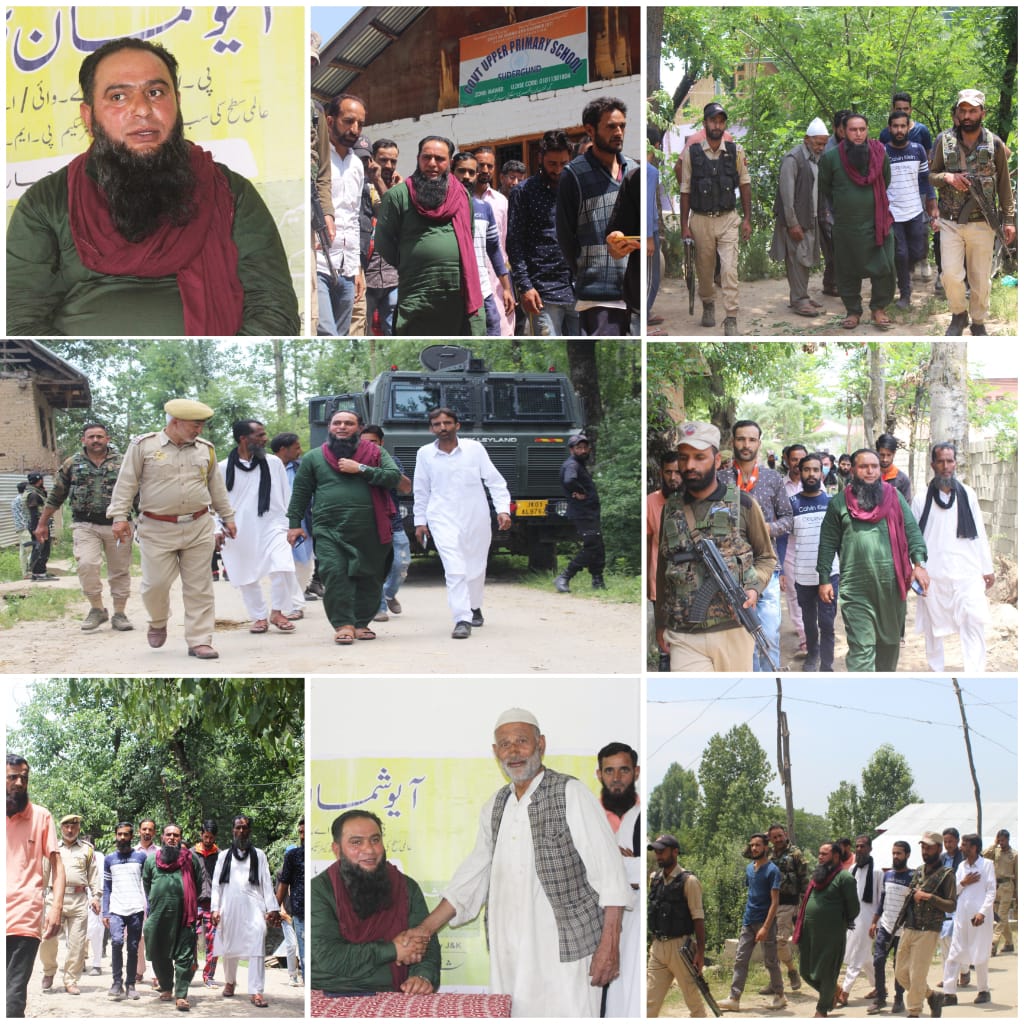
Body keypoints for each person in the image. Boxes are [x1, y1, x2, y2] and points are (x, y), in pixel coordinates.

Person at [6, 37, 298, 336]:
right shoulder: (47, 202)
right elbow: (18, 322)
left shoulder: (229, 192)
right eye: (118, 97)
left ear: (177, 103)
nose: (142, 109)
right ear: (88, 117)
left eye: (155, 93)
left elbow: (274, 310)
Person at [409, 708, 629, 1017]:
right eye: (505, 744)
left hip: (566, 956)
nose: (513, 751)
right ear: (495, 752)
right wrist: (424, 929)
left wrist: (609, 945)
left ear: (541, 744)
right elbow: (471, 879)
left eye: (522, 741)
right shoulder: (495, 806)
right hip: (509, 955)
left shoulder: (571, 792)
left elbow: (611, 875)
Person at [106, 399, 234, 658]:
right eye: (194, 425)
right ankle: (158, 620)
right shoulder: (144, 446)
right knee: (156, 584)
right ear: (175, 422)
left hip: (198, 525)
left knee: (199, 587)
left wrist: (227, 517)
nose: (199, 430)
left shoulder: (205, 449)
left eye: (201, 425)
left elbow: (216, 487)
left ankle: (199, 640)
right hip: (157, 528)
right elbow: (127, 482)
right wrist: (119, 516)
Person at [656, 421, 775, 672]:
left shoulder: (743, 504)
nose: (690, 465)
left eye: (699, 457)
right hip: (683, 633)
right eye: (683, 458)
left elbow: (766, 557)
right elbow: (664, 567)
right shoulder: (670, 508)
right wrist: (660, 622)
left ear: (717, 460)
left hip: (733, 630)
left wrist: (753, 589)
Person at [287, 410, 400, 645]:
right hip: (329, 529)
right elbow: (300, 493)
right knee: (334, 573)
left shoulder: (375, 453)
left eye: (348, 423)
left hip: (371, 529)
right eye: (336, 423)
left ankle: (361, 623)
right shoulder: (314, 457)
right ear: (329, 427)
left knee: (370, 577)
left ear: (359, 428)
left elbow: (393, 477)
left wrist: (361, 468)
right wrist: (294, 524)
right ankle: (343, 624)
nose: (342, 427)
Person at [816, 449, 929, 671]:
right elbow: (827, 543)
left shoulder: (894, 497)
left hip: (891, 587)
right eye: (863, 467)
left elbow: (912, 532)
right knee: (861, 649)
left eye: (874, 466)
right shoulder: (839, 503)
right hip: (855, 589)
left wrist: (919, 565)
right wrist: (824, 579)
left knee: (889, 645)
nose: (870, 471)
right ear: (853, 470)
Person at [311, 810, 440, 994]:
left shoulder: (406, 888)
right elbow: (330, 957)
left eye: (375, 840)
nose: (369, 850)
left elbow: (425, 942)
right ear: (337, 850)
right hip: (332, 992)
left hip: (395, 993)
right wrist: (393, 950)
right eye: (356, 842)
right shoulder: (319, 890)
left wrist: (422, 976)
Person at [413, 407, 511, 640]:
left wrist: (503, 510)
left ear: (457, 426)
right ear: (431, 429)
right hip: (441, 517)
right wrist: (420, 521)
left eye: (447, 423)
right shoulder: (425, 454)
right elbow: (421, 489)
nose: (443, 428)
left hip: (475, 516)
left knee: (476, 567)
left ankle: (474, 606)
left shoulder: (474, 449)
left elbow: (495, 481)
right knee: (454, 568)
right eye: (437, 424)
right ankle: (462, 619)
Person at [375, 135, 485, 335]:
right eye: (427, 157)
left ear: (449, 163)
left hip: (458, 294)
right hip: (418, 292)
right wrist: (411, 260)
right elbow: (383, 243)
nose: (432, 164)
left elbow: (468, 235)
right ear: (418, 159)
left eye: (439, 159)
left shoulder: (462, 195)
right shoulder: (398, 196)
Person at [929, 89, 1016, 335]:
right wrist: (947, 177)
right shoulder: (943, 141)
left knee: (980, 279)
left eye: (972, 111)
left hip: (982, 222)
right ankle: (958, 315)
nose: (967, 116)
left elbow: (1004, 186)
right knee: (950, 275)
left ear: (982, 113)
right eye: (963, 110)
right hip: (950, 221)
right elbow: (931, 175)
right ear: (957, 112)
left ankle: (978, 322)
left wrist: (1009, 220)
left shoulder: (995, 143)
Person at [32, 423, 133, 628]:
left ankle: (120, 614)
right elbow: (56, 495)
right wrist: (42, 524)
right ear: (83, 440)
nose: (95, 440)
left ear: (107, 439)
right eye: (91, 437)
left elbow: (137, 492)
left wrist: (146, 521)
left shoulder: (124, 462)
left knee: (120, 570)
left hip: (118, 524)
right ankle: (97, 609)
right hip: (85, 524)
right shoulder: (72, 463)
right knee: (86, 564)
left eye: (100, 436)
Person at [556, 97, 637, 335]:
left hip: (635, 292)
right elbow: (566, 238)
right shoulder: (573, 175)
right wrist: (586, 272)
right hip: (599, 297)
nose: (619, 132)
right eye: (611, 126)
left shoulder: (634, 170)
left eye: (622, 125)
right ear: (590, 130)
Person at [912, 443, 994, 672]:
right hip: (933, 575)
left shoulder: (968, 494)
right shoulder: (921, 499)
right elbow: (914, 538)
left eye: (950, 461)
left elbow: (979, 533)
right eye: (941, 461)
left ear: (955, 463)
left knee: (974, 621)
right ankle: (936, 671)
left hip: (967, 572)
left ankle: (975, 672)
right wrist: (916, 568)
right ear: (933, 465)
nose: (946, 466)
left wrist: (987, 567)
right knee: (933, 629)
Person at [722, 420, 792, 673]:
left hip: (766, 568)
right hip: (732, 571)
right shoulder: (720, 479)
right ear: (733, 442)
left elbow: (788, 518)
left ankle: (771, 681)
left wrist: (765, 528)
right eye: (741, 439)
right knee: (743, 639)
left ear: (759, 444)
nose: (746, 444)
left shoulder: (773, 478)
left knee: (769, 634)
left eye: (752, 440)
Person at [217, 419, 299, 636]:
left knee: (282, 565)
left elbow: (286, 495)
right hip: (238, 528)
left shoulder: (273, 462)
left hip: (273, 524)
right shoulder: (222, 467)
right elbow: (215, 501)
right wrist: (218, 527)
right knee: (245, 573)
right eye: (260, 435)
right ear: (243, 438)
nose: (265, 439)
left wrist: (292, 524)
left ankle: (278, 612)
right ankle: (259, 617)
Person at [678, 102, 753, 335]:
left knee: (729, 269)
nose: (717, 125)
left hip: (728, 218)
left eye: (721, 121)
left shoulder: (735, 151)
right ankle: (708, 303)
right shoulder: (692, 153)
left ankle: (731, 317)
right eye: (713, 121)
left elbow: (745, 183)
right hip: (701, 220)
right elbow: (685, 190)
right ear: (705, 123)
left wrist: (747, 219)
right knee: (704, 271)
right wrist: (684, 226)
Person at [818, 113, 896, 330]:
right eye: (853, 130)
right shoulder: (831, 158)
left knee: (885, 266)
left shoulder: (880, 154)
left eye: (862, 129)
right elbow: (826, 188)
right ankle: (853, 311)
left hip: (877, 223)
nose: (858, 134)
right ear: (843, 132)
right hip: (846, 227)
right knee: (846, 269)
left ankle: (879, 308)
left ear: (867, 130)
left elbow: (885, 180)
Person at [6, 755, 65, 1018]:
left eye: (24, 777)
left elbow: (57, 865)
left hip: (24, 918)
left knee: (12, 999)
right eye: (12, 777)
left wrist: (56, 908)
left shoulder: (41, 816)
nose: (20, 783)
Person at [507, 129, 578, 335]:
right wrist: (525, 287)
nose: (558, 170)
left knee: (583, 348)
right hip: (542, 292)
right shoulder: (523, 192)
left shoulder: (574, 190)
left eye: (563, 164)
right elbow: (514, 244)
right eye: (552, 164)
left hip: (576, 288)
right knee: (549, 352)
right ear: (540, 158)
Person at [777, 454, 839, 671]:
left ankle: (827, 665)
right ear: (799, 472)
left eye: (815, 470)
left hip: (830, 575)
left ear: (822, 473)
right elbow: (782, 539)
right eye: (806, 470)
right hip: (802, 574)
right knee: (809, 622)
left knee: (827, 623)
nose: (811, 474)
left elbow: (841, 539)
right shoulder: (791, 504)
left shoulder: (832, 502)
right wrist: (781, 570)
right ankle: (812, 656)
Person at [211, 816, 280, 1008]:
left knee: (258, 941)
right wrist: (215, 908)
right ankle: (230, 981)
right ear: (233, 830)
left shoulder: (259, 855)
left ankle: (256, 990)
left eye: (245, 828)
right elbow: (216, 884)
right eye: (238, 827)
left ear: (250, 831)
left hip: (254, 908)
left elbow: (266, 882)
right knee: (229, 945)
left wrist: (272, 908)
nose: (241, 831)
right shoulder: (224, 856)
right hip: (229, 906)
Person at [597, 742, 641, 1017]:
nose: (616, 778)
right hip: (606, 926)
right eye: (609, 771)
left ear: (636, 772)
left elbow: (643, 872)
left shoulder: (639, 816)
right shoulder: (591, 814)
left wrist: (624, 865)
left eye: (623, 770)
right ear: (599, 774)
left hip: (633, 925)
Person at [718, 833, 786, 1012]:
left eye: (758, 845)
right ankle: (734, 998)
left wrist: (765, 927)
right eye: (752, 845)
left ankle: (780, 995)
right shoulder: (749, 868)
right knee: (740, 959)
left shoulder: (772, 870)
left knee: (770, 961)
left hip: (766, 923)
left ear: (766, 847)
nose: (754, 848)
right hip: (748, 921)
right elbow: (752, 894)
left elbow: (775, 902)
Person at [893, 832, 957, 1020]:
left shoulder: (947, 874)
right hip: (910, 926)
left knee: (917, 975)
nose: (925, 851)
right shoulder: (919, 871)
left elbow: (951, 905)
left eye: (929, 847)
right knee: (900, 973)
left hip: (929, 930)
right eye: (923, 847)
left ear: (939, 848)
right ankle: (932, 995)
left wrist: (929, 897)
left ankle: (914, 1012)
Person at [317, 94, 367, 336]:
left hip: (347, 269)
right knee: (326, 332)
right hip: (319, 262)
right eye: (348, 121)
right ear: (329, 121)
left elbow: (353, 217)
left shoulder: (357, 165)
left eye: (360, 124)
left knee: (342, 336)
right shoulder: (316, 160)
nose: (354, 129)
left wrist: (356, 268)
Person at [770, 118, 830, 316]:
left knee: (805, 258)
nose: (821, 147)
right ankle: (799, 300)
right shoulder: (793, 159)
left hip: (810, 217)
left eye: (824, 144)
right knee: (796, 259)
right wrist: (792, 223)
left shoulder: (815, 158)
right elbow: (787, 196)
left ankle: (801, 295)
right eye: (818, 143)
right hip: (795, 220)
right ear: (806, 139)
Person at [142, 823, 203, 1011]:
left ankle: (182, 995)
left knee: (185, 955)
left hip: (185, 916)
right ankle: (167, 987)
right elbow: (147, 885)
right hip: (159, 916)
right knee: (158, 952)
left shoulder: (190, 859)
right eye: (168, 834)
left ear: (180, 838)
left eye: (176, 835)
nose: (172, 838)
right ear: (162, 837)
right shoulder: (151, 860)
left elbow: (198, 884)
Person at [794, 842, 860, 1019]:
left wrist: (837, 921)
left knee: (828, 973)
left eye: (824, 854)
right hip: (809, 933)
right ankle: (832, 991)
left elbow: (854, 909)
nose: (820, 857)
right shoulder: (817, 877)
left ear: (836, 856)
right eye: (819, 853)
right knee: (805, 972)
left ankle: (822, 1010)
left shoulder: (845, 878)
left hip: (832, 935)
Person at [452, 152, 515, 336]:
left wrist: (506, 288)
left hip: (484, 290)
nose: (466, 176)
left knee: (493, 332)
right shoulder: (442, 209)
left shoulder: (484, 207)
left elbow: (494, 249)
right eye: (461, 171)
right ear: (451, 172)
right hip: (456, 292)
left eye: (471, 172)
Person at [38, 814, 100, 996]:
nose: (70, 830)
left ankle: (71, 979)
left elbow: (93, 875)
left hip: (79, 900)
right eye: (66, 826)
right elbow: (45, 872)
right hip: (54, 898)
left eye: (73, 827)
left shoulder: (87, 849)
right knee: (47, 938)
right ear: (61, 828)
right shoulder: (52, 847)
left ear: (78, 828)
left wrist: (96, 896)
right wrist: (39, 896)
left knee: (77, 944)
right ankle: (49, 970)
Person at [647, 834, 707, 1018]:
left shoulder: (689, 881)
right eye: (656, 851)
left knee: (693, 1002)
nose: (658, 855)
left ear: (675, 852)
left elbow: (698, 918)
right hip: (657, 948)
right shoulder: (654, 879)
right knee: (648, 1003)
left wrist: (700, 953)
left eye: (662, 851)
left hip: (680, 948)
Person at [884, 111, 937, 310]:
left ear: (908, 127)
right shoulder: (883, 152)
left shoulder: (918, 150)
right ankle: (905, 294)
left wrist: (932, 202)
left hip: (915, 210)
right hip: (893, 213)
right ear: (890, 128)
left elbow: (926, 179)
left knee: (918, 251)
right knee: (900, 253)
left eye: (902, 126)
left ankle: (905, 270)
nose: (899, 130)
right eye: (895, 126)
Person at [359, 425, 412, 624]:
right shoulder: (351, 463)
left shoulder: (392, 461)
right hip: (365, 523)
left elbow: (406, 488)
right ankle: (379, 607)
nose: (368, 446)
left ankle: (389, 593)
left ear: (381, 443)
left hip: (392, 522)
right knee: (374, 568)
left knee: (401, 563)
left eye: (373, 442)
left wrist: (383, 468)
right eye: (364, 442)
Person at [941, 833, 995, 1007]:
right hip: (961, 918)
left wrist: (982, 912)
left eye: (964, 845)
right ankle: (949, 993)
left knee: (980, 953)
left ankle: (983, 990)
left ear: (974, 848)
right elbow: (954, 892)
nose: (961, 848)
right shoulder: (962, 866)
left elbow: (991, 892)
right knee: (953, 954)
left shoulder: (987, 865)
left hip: (979, 919)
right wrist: (964, 882)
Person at [835, 835, 884, 1008]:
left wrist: (876, 922)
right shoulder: (852, 869)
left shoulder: (877, 871)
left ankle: (845, 992)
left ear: (870, 848)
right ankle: (879, 987)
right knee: (865, 955)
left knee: (857, 954)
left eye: (863, 846)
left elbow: (881, 900)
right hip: (853, 917)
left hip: (869, 919)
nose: (859, 849)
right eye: (857, 846)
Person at [866, 841, 914, 1015]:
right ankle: (880, 998)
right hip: (885, 927)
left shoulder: (913, 877)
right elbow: (882, 901)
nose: (895, 856)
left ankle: (899, 999)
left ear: (907, 855)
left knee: (898, 966)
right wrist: (874, 922)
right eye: (894, 853)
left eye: (899, 853)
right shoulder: (888, 875)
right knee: (878, 961)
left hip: (903, 931)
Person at [270, 433, 315, 614]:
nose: (300, 451)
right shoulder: (266, 467)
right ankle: (293, 605)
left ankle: (296, 598)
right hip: (274, 524)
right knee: (281, 565)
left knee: (304, 565)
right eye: (296, 448)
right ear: (283, 449)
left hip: (302, 522)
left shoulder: (301, 468)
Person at [102, 821, 147, 1001]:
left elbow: (148, 884)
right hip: (116, 910)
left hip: (136, 909)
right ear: (116, 835)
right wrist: (105, 912)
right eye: (119, 834)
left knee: (133, 947)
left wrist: (149, 908)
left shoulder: (141, 858)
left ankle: (131, 985)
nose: (122, 837)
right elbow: (107, 887)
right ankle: (116, 983)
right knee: (116, 942)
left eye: (125, 834)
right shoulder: (109, 859)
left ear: (131, 836)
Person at [554, 433, 605, 592]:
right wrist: (580, 491)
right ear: (572, 450)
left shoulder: (579, 465)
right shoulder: (572, 465)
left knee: (598, 546)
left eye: (585, 447)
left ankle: (597, 580)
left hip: (589, 513)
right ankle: (564, 576)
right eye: (579, 448)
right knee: (592, 546)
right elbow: (569, 480)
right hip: (582, 513)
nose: (583, 451)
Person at [473, 145, 515, 336]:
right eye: (480, 165)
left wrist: (507, 287)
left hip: (498, 280)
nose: (485, 170)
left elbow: (503, 245)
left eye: (489, 166)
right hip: (473, 280)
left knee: (503, 331)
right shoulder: (461, 201)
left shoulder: (501, 202)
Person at [363, 139, 402, 334]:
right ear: (372, 159)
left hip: (392, 277)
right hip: (366, 278)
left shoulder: (400, 190)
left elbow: (393, 216)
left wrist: (394, 190)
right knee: (363, 331)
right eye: (383, 160)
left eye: (393, 161)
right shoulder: (360, 188)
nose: (388, 166)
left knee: (393, 331)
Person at [766, 824, 808, 993]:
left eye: (780, 836)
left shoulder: (795, 853)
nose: (778, 839)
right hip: (768, 903)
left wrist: (804, 904)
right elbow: (746, 853)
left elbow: (804, 879)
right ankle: (774, 982)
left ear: (785, 835)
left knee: (780, 942)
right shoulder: (767, 852)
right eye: (774, 837)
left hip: (787, 903)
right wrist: (763, 838)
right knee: (768, 944)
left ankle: (792, 970)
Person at [646, 453, 683, 604]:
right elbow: (647, 544)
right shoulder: (650, 502)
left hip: (689, 585)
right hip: (660, 584)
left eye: (678, 472)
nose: (673, 477)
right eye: (668, 472)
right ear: (661, 473)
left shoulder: (695, 503)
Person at [276, 819, 305, 981]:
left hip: (303, 912)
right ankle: (293, 976)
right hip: (290, 913)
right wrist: (278, 911)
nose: (302, 836)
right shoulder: (283, 871)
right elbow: (280, 890)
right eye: (300, 832)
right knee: (293, 946)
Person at [193, 821, 220, 988]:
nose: (208, 840)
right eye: (206, 836)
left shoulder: (220, 855)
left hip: (214, 904)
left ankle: (209, 975)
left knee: (214, 940)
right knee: (190, 938)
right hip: (194, 903)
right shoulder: (191, 853)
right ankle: (190, 968)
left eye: (211, 837)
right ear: (201, 834)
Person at [983, 829, 1016, 955]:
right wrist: (994, 844)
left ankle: (993, 942)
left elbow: (1018, 874)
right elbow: (983, 855)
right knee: (998, 916)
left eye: (1003, 840)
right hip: (995, 886)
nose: (1001, 843)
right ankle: (1009, 943)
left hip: (1007, 886)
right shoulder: (995, 851)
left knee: (1001, 915)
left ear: (1008, 840)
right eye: (999, 840)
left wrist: (1018, 893)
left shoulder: (1014, 855)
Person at [24, 472, 56, 581]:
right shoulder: (33, 494)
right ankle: (38, 573)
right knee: (41, 549)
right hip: (38, 526)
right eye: (42, 479)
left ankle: (41, 571)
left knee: (43, 548)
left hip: (39, 525)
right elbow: (34, 513)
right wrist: (36, 529)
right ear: (39, 481)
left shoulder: (36, 492)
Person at [875, 432, 913, 501]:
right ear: (877, 452)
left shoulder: (903, 480)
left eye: (888, 455)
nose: (885, 459)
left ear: (894, 453)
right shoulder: (870, 476)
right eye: (882, 455)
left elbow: (906, 505)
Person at [11, 481, 32, 579]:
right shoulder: (22, 499)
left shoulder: (15, 499)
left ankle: (25, 574)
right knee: (31, 549)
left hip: (20, 528)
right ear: (26, 490)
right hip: (24, 528)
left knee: (23, 551)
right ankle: (32, 572)